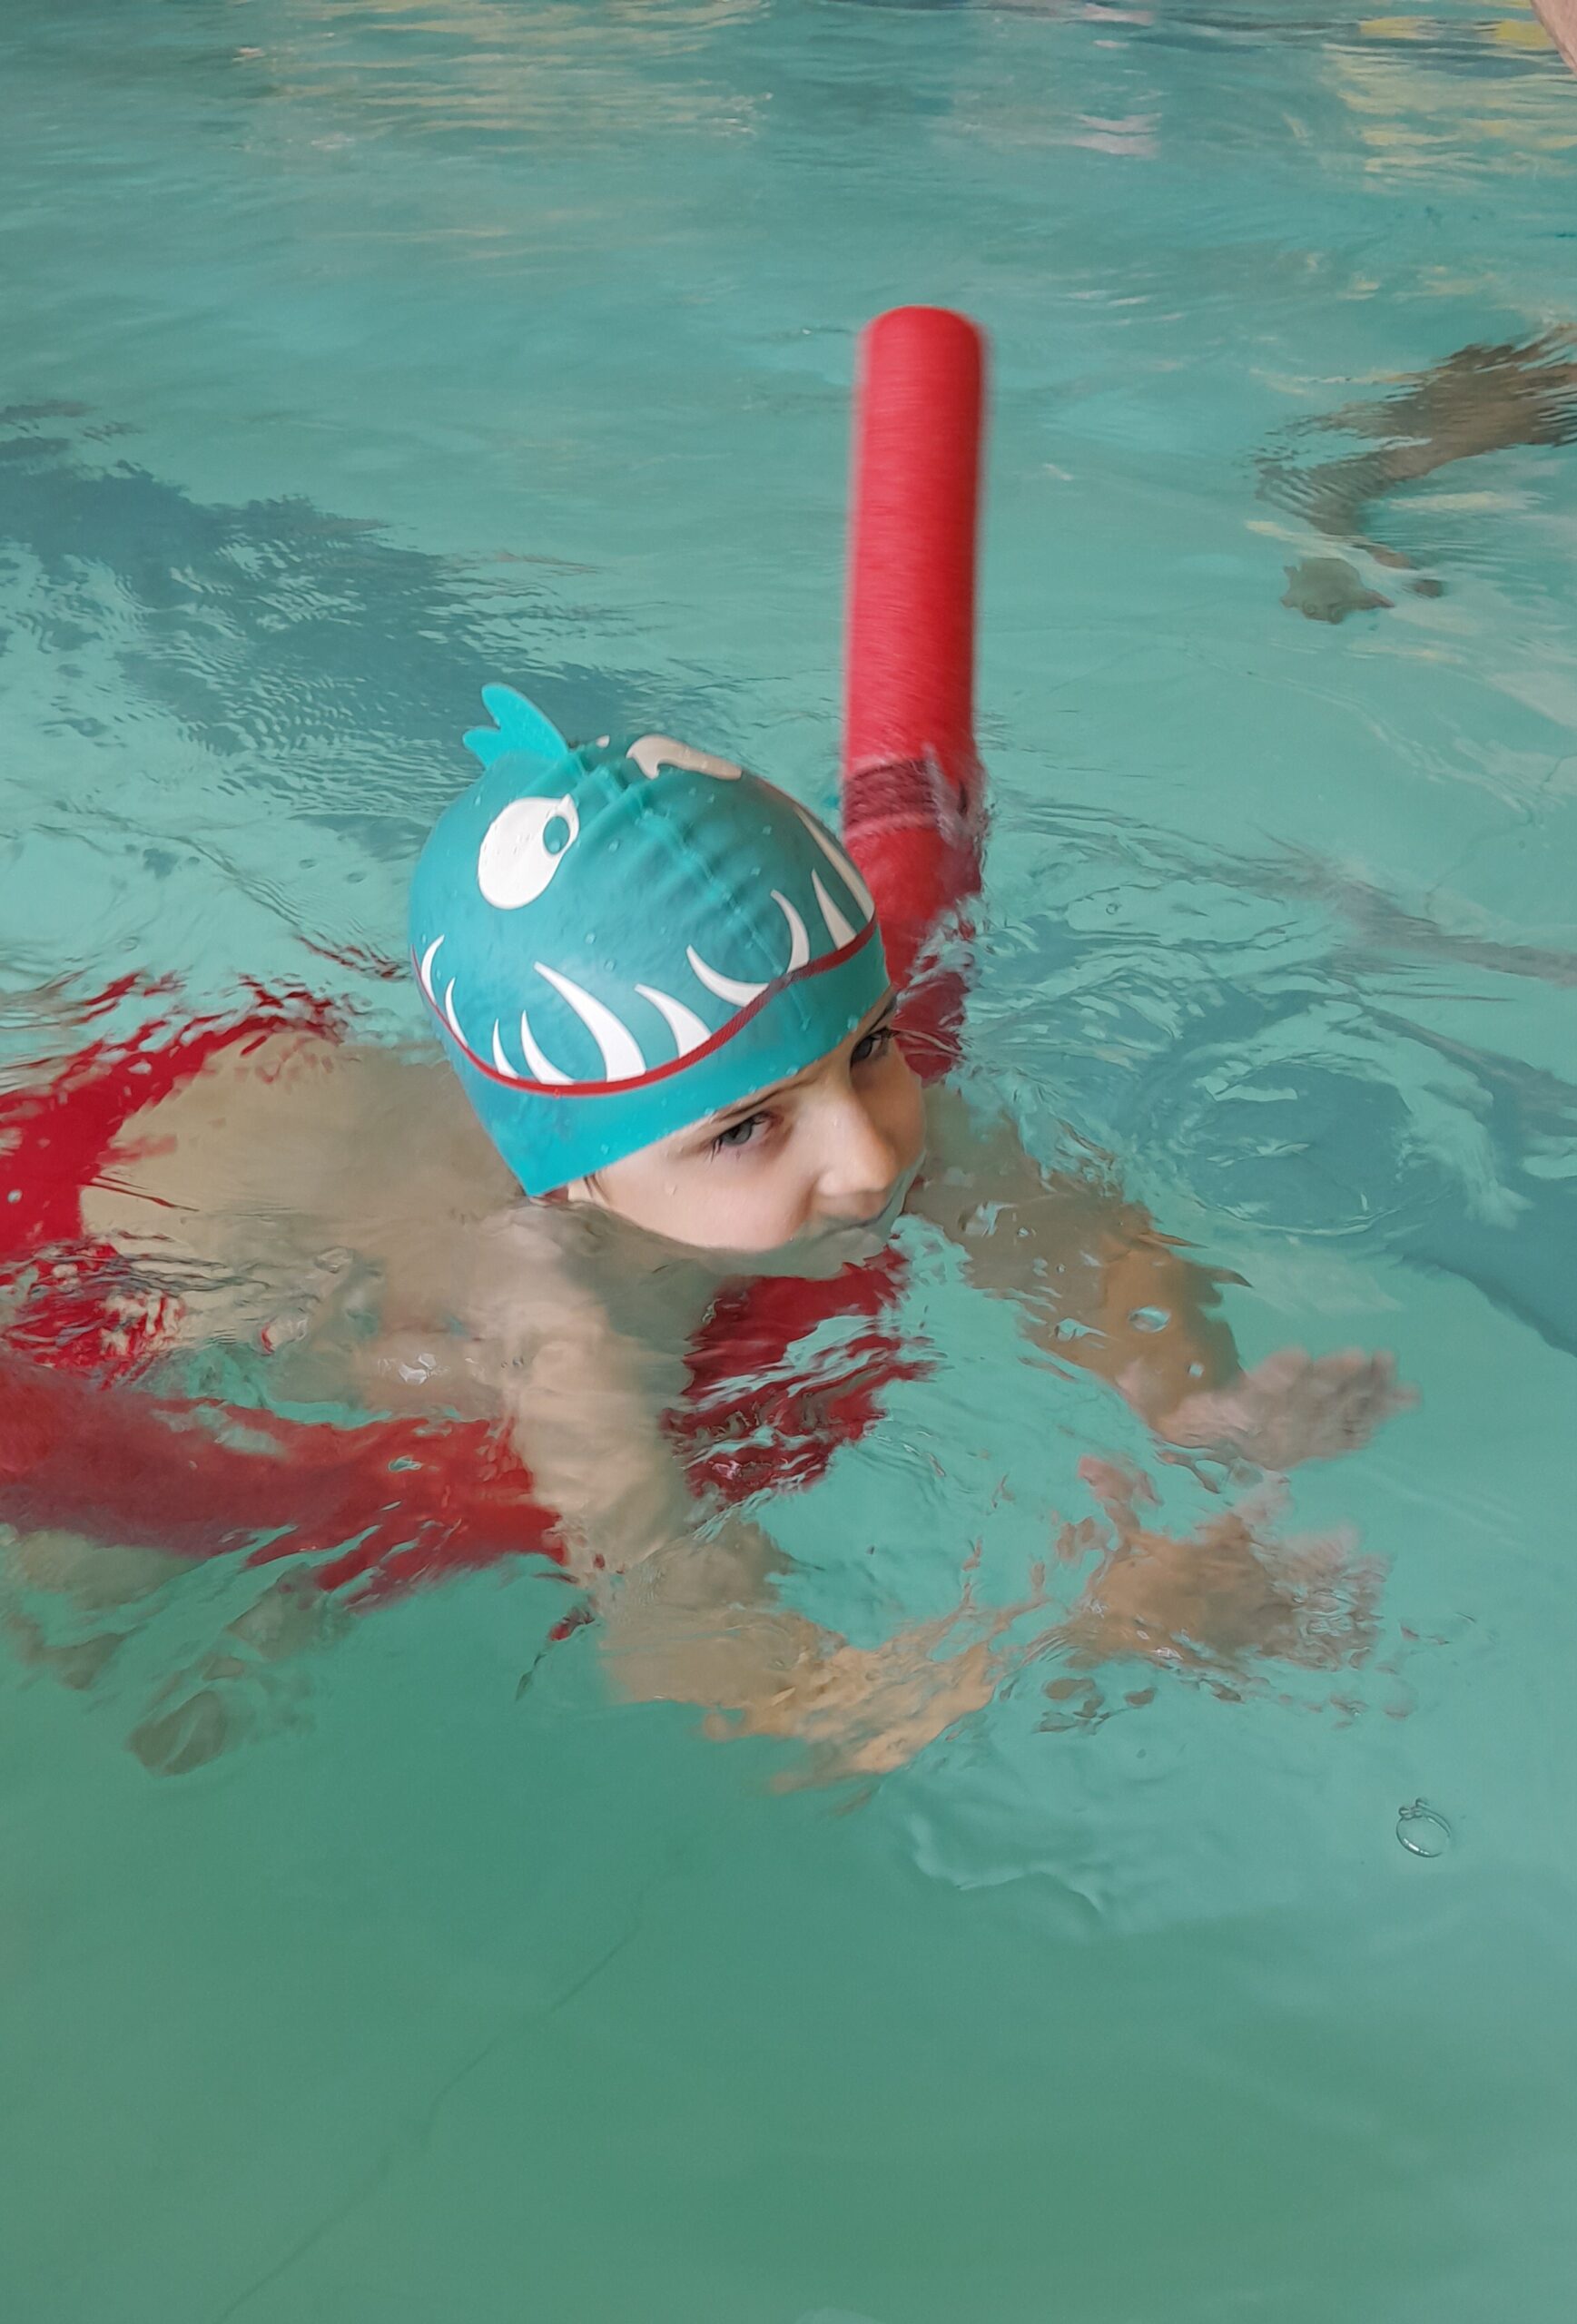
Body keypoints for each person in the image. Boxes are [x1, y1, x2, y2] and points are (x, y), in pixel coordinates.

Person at [4, 692, 1408, 1774]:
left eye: (868, 1048)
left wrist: (1194, 1395)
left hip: (278, 1087)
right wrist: (1086, 1636)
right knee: (103, 1576)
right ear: (573, 1178)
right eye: (746, 1129)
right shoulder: (559, 1305)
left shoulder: (815, 1120)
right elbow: (691, 1647)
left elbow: (1071, 1240)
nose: (870, 1155)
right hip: (117, 1232)